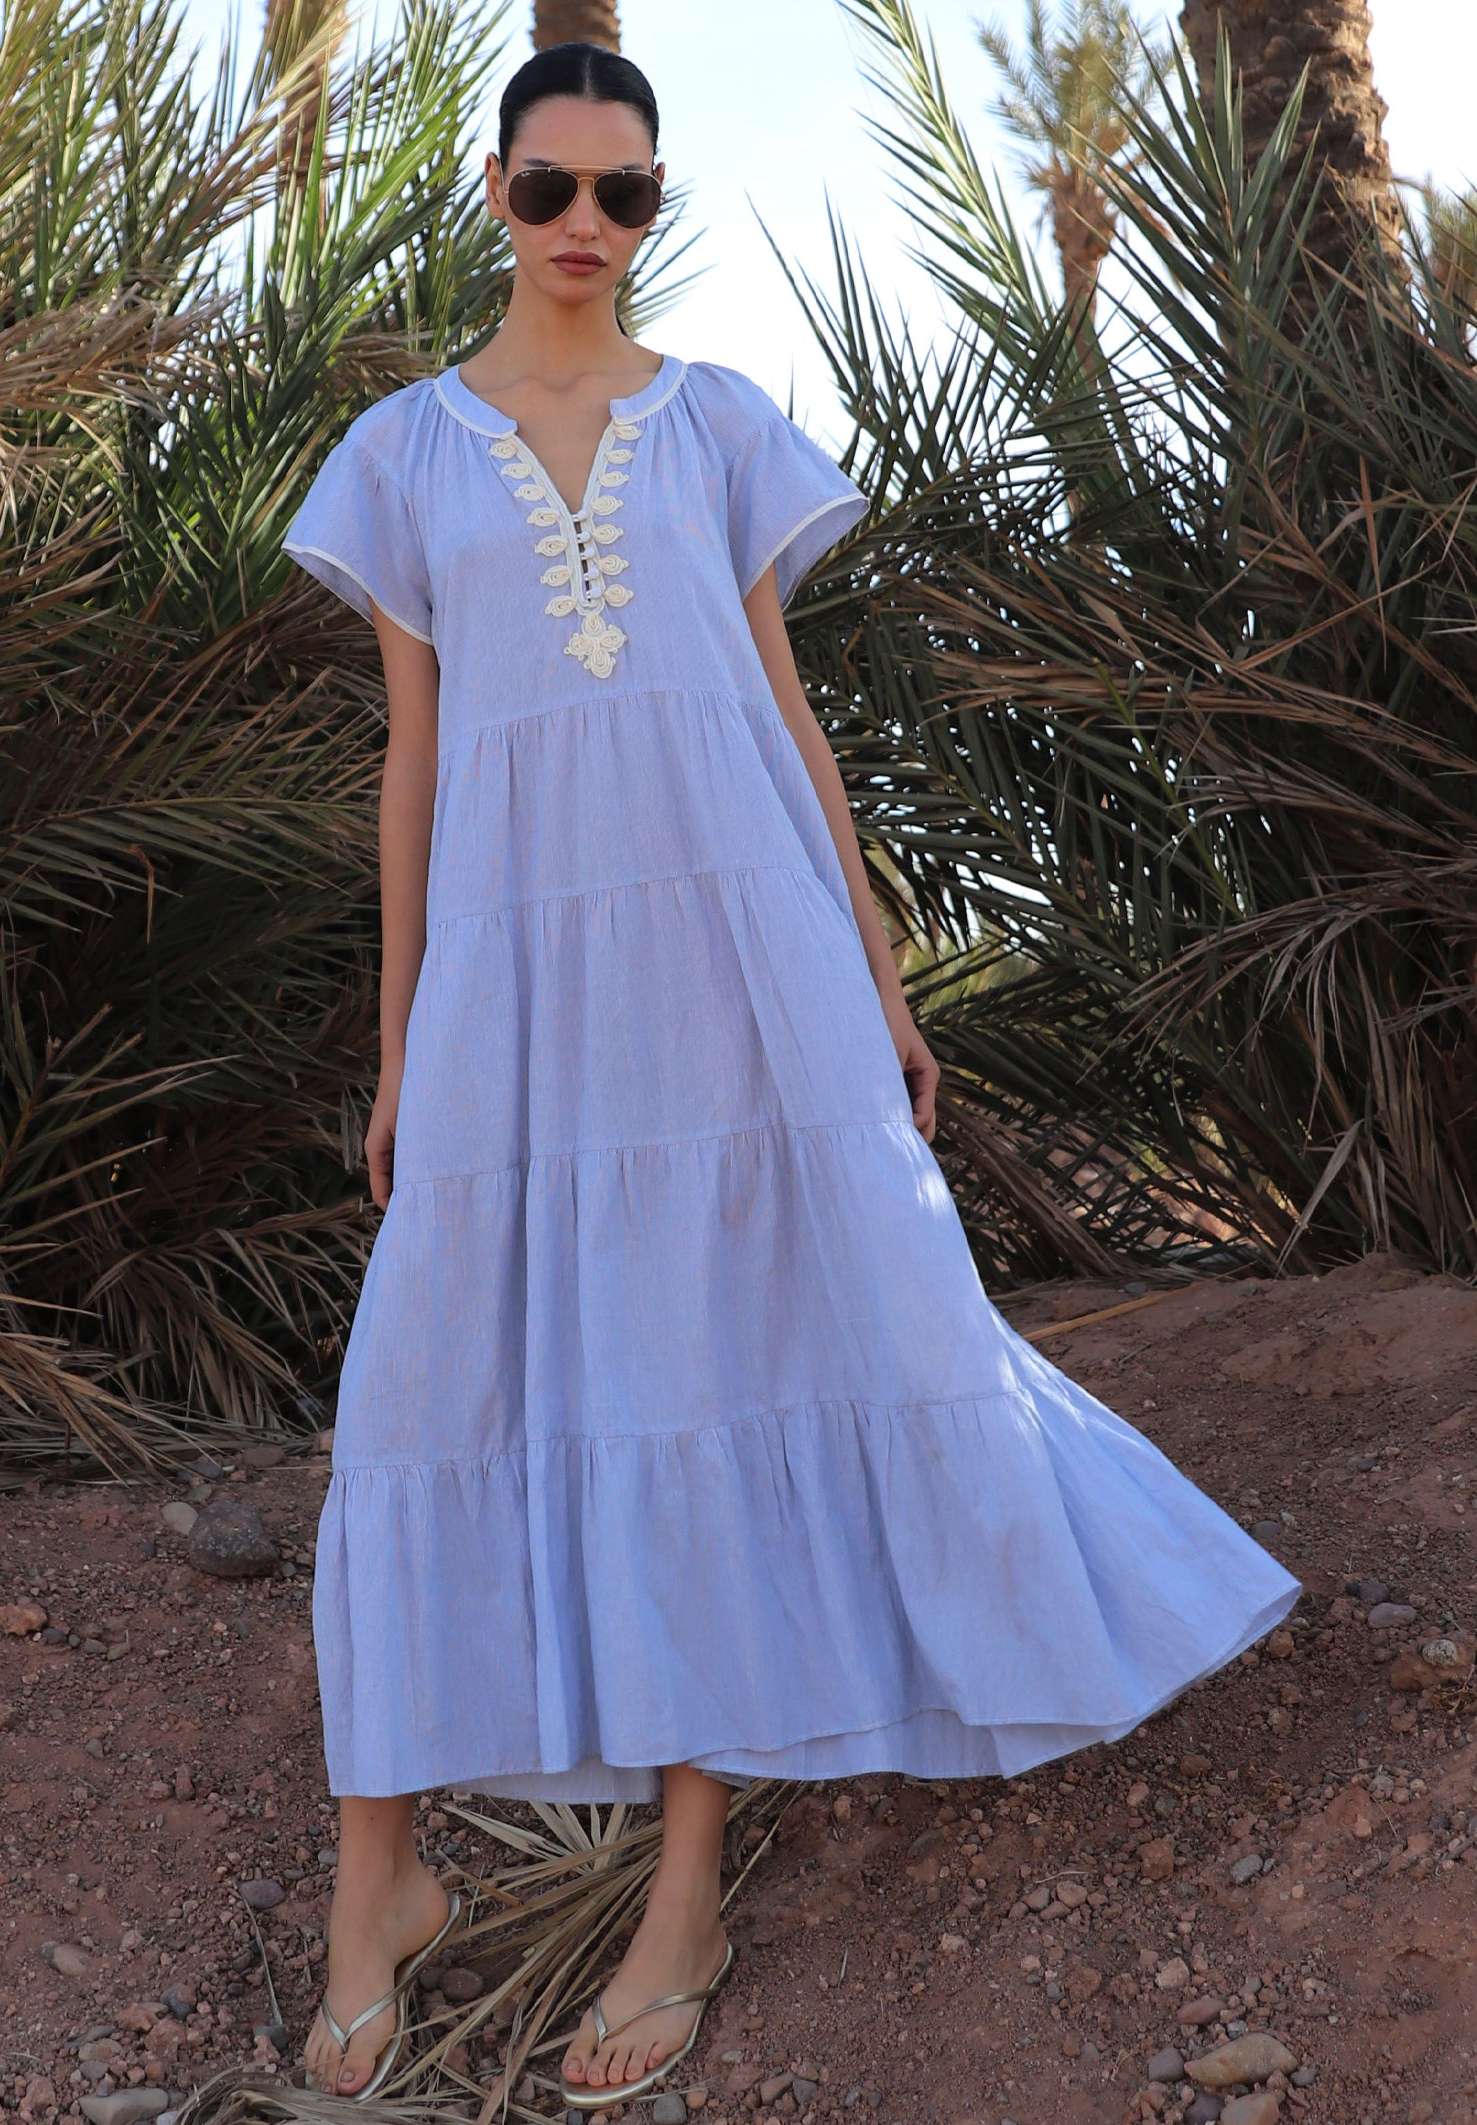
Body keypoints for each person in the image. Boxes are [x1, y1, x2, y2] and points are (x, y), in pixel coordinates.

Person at [281, 38, 1300, 2111]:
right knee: (423, 1390)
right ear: (495, 192)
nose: (585, 226)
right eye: (551, 189)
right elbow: (410, 768)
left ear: (653, 203)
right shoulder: (398, 454)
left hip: (741, 964)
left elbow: (783, 716)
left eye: (624, 193)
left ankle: (682, 1892)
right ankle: (371, 1880)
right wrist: (393, 1047)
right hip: (512, 988)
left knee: (710, 1363)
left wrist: (880, 973)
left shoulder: (722, 423)